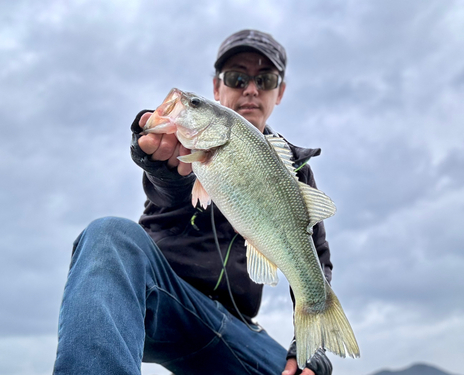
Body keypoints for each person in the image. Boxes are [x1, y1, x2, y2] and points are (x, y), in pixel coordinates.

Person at [53, 30, 333, 375]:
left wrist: (309, 350)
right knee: (109, 234)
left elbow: (314, 259)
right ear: (217, 88)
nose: (250, 88)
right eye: (237, 77)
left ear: (280, 91)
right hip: (163, 300)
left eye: (265, 79)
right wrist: (163, 168)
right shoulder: (185, 144)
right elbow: (171, 190)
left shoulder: (295, 172)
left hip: (237, 330)